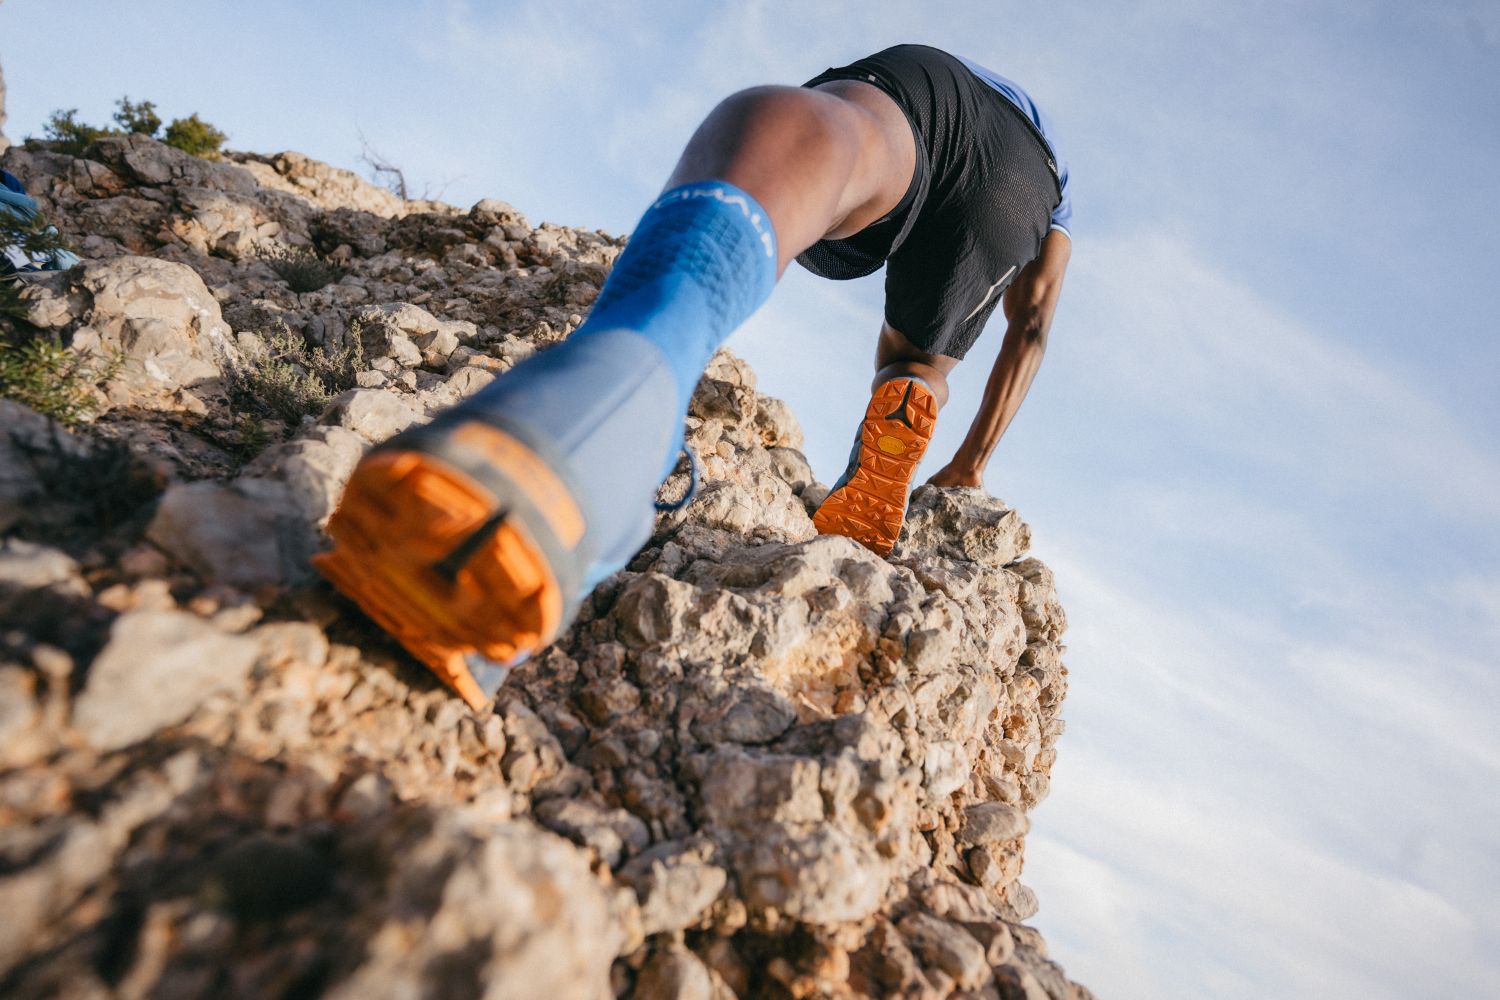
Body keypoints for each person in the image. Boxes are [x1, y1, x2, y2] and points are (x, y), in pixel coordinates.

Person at [315, 44, 1072, 708]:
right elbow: (1031, 321)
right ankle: (889, 427)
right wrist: (969, 465)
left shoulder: (971, 81)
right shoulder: (1066, 182)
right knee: (915, 359)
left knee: (851, 141)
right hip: (1024, 186)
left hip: (933, 90)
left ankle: (630, 364)